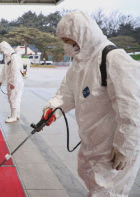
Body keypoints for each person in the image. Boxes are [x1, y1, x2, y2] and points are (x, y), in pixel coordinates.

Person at [42, 11, 140, 196]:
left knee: (108, 191)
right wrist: (52, 110)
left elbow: (132, 107)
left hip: (113, 147)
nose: (66, 45)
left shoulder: (113, 58)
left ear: (82, 34)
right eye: (63, 40)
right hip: (91, 140)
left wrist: (124, 148)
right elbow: (67, 93)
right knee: (91, 182)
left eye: (68, 39)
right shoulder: (79, 62)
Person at [0, 41, 24, 123]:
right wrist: (0, 81)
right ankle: (16, 114)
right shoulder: (8, 57)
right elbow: (4, 70)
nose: (2, 52)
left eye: (2, 51)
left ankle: (13, 117)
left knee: (13, 99)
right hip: (15, 81)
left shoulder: (14, 57)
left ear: (6, 49)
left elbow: (15, 71)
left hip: (15, 81)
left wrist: (12, 83)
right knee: (16, 98)